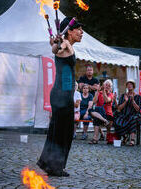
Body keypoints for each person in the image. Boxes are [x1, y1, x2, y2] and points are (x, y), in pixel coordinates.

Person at [37, 17, 83, 177]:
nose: (81, 33)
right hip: (62, 95)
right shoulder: (64, 44)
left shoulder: (67, 44)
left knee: (59, 131)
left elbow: (55, 46)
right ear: (69, 30)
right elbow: (55, 49)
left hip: (63, 94)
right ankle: (55, 167)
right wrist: (56, 43)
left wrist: (55, 42)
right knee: (63, 132)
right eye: (79, 29)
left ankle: (49, 164)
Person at [114, 80, 141, 146]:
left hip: (134, 114)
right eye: (128, 85)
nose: (129, 86)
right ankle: (124, 137)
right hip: (124, 114)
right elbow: (119, 108)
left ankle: (132, 140)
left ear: (133, 86)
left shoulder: (138, 96)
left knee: (133, 119)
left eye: (131, 85)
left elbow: (138, 109)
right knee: (117, 120)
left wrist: (133, 101)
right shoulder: (123, 96)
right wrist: (125, 101)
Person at [88, 79, 114, 144]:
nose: (107, 86)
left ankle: (95, 138)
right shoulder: (99, 93)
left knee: (96, 117)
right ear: (103, 85)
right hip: (100, 114)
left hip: (107, 113)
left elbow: (106, 100)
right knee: (91, 111)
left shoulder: (111, 94)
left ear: (111, 87)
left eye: (109, 86)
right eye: (106, 85)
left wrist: (103, 92)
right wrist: (97, 91)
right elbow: (94, 101)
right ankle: (95, 138)